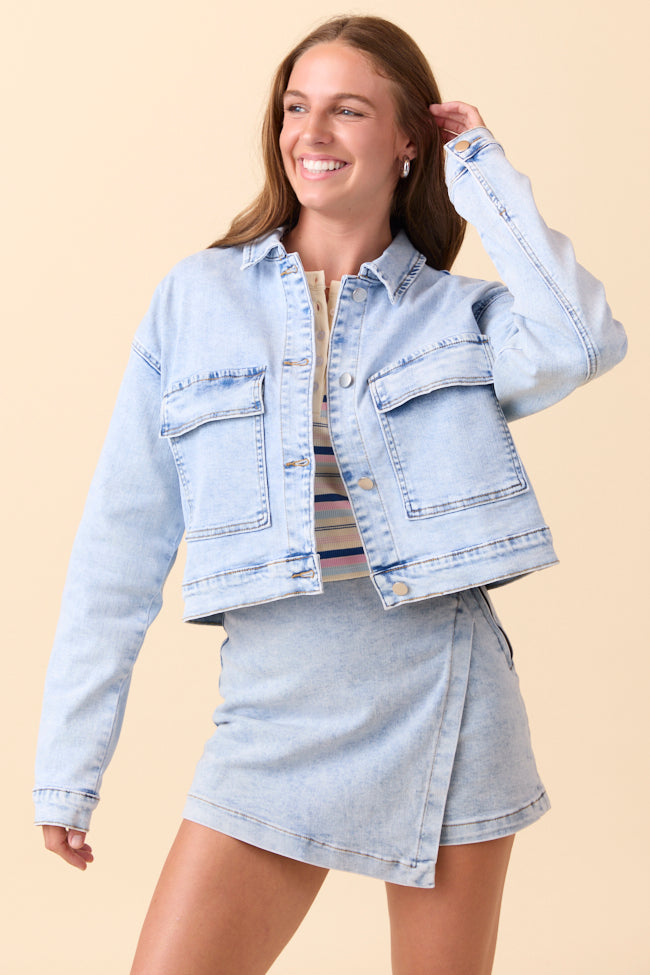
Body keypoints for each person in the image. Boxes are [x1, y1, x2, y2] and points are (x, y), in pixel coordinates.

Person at [34, 15, 626, 975]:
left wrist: (480, 166)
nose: (310, 133)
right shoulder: (197, 300)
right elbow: (119, 543)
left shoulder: (459, 315)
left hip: (443, 695)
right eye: (295, 108)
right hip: (273, 707)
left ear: (407, 139)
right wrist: (69, 766)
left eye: (347, 110)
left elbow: (582, 340)